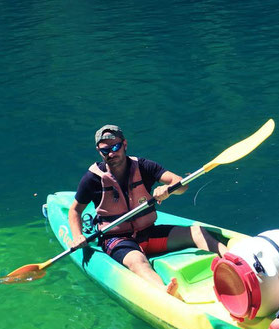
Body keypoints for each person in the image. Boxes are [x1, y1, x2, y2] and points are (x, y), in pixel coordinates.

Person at [68, 125, 227, 298]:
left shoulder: (143, 166)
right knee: (137, 260)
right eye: (105, 150)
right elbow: (75, 210)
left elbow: (182, 184)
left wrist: (168, 189)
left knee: (196, 232)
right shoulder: (92, 178)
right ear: (99, 151)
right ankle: (165, 293)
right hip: (116, 238)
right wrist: (77, 235)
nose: (111, 154)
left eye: (115, 147)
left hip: (149, 233)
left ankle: (233, 260)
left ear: (124, 144)